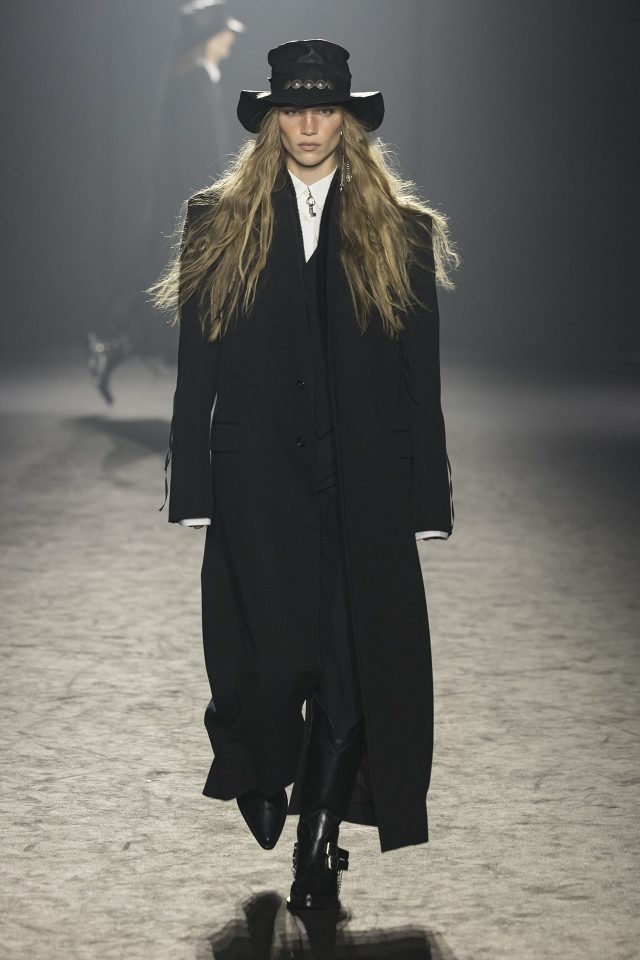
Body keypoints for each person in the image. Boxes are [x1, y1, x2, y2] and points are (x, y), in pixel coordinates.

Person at [150, 38, 459, 911]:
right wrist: (193, 487)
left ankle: (317, 847)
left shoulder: (402, 231)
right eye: (295, 109)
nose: (311, 125)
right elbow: (197, 369)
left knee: (354, 672)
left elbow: (420, 379)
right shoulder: (218, 221)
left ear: (348, 119)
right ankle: (256, 763)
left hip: (365, 481)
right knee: (274, 656)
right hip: (259, 480)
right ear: (273, 119)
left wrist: (427, 498)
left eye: (325, 109)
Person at [87, 0, 245, 404]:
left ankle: (115, 344)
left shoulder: (195, 79)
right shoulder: (192, 84)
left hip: (193, 206)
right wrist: (216, 206)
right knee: (178, 293)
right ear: (208, 37)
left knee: (182, 295)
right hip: (193, 209)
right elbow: (196, 157)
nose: (230, 39)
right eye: (224, 32)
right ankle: (114, 344)